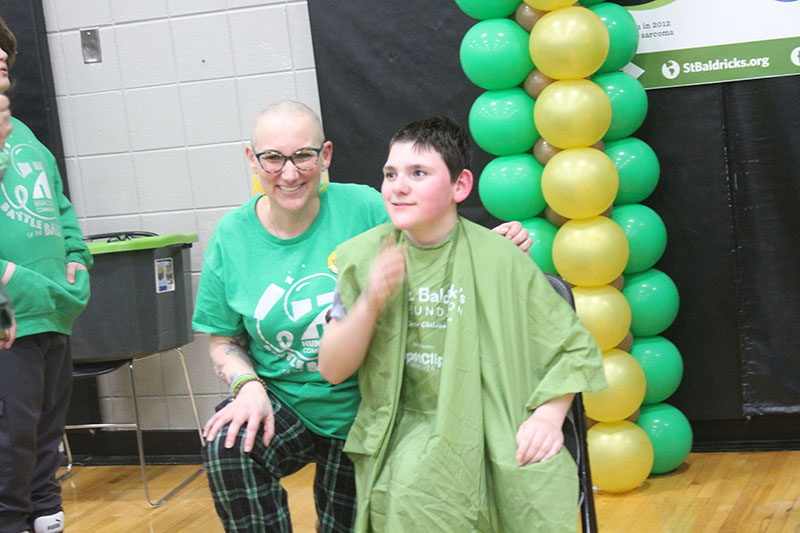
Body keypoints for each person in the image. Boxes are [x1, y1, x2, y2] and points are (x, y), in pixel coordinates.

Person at [192, 101, 532, 532]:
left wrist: (493, 245)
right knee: (229, 440)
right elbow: (223, 341)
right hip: (284, 403)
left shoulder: (365, 207)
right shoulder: (231, 236)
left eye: (304, 156)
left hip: (368, 407)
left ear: (326, 155)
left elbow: (437, 240)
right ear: (252, 160)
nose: (290, 173)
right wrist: (247, 385)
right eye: (273, 158)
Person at [318, 116, 608, 532]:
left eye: (418, 173)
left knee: (530, 485)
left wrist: (548, 415)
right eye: (390, 174)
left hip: (495, 418)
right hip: (408, 427)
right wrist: (371, 301)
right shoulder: (363, 258)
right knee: (414, 496)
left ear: (460, 186)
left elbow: (570, 348)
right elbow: (332, 368)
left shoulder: (499, 257)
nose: (398, 186)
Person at [0, 15, 92, 533]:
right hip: (6, 321)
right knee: (7, 455)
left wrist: (78, 258)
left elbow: (59, 209)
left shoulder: (29, 134)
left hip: (52, 314)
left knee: (42, 450)